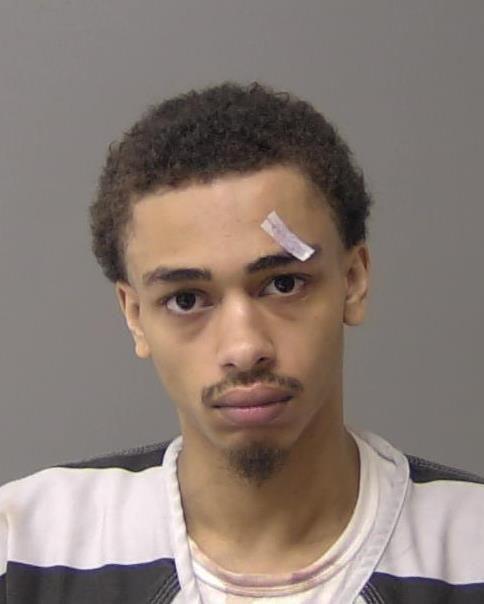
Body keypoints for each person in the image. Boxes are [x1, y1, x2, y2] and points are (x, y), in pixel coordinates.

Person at [1, 81, 483, 604]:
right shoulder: (23, 546)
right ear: (135, 315)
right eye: (187, 299)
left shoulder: (470, 547)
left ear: (353, 281)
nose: (245, 347)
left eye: (283, 284)